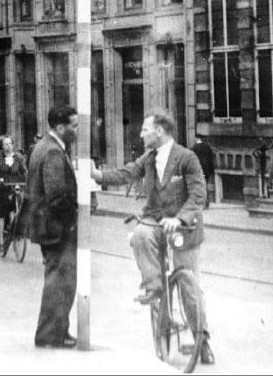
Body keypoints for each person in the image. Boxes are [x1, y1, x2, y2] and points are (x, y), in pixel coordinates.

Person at [91, 111, 215, 365]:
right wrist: (98, 176)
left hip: (184, 228)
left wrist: (179, 219)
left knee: (189, 287)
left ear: (159, 131)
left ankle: (202, 339)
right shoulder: (149, 158)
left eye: (145, 129)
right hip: (157, 220)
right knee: (139, 234)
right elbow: (127, 173)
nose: (140, 133)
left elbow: (198, 194)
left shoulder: (186, 158)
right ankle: (154, 287)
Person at [25, 105, 79, 349]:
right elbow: (57, 195)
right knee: (61, 280)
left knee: (59, 278)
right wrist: (73, 220)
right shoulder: (53, 152)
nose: (77, 130)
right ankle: (50, 335)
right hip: (55, 227)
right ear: (61, 127)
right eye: (74, 126)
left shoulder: (44, 146)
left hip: (46, 225)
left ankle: (57, 332)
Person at [0, 135, 28, 250]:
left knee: (15, 209)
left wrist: (24, 180)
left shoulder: (19, 157)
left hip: (14, 187)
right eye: (5, 144)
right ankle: (1, 241)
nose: (8, 146)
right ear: (2, 146)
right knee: (1, 213)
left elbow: (24, 171)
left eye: (10, 143)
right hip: (1, 188)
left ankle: (14, 233)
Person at [191, 135, 216, 208]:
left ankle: (201, 202)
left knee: (198, 186)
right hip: (206, 171)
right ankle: (206, 202)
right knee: (205, 185)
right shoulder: (207, 147)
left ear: (196, 138)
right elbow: (211, 159)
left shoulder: (194, 148)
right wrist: (211, 170)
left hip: (198, 171)